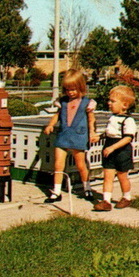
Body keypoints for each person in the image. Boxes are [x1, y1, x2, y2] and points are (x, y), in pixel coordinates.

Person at [44, 69, 100, 201]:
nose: (70, 92)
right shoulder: (62, 102)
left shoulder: (87, 103)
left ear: (81, 87)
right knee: (58, 164)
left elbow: (91, 119)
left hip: (78, 136)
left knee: (81, 164)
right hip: (63, 135)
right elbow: (57, 115)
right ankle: (56, 191)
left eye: (73, 89)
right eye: (68, 89)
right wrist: (50, 125)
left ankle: (87, 188)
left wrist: (92, 132)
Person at [93, 85, 137, 211]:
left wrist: (113, 147)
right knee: (108, 175)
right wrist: (99, 137)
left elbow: (127, 138)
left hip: (121, 150)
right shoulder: (112, 118)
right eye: (109, 100)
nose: (109, 103)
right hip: (109, 148)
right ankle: (106, 201)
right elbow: (110, 132)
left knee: (122, 175)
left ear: (124, 105)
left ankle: (126, 197)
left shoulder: (128, 121)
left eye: (113, 101)